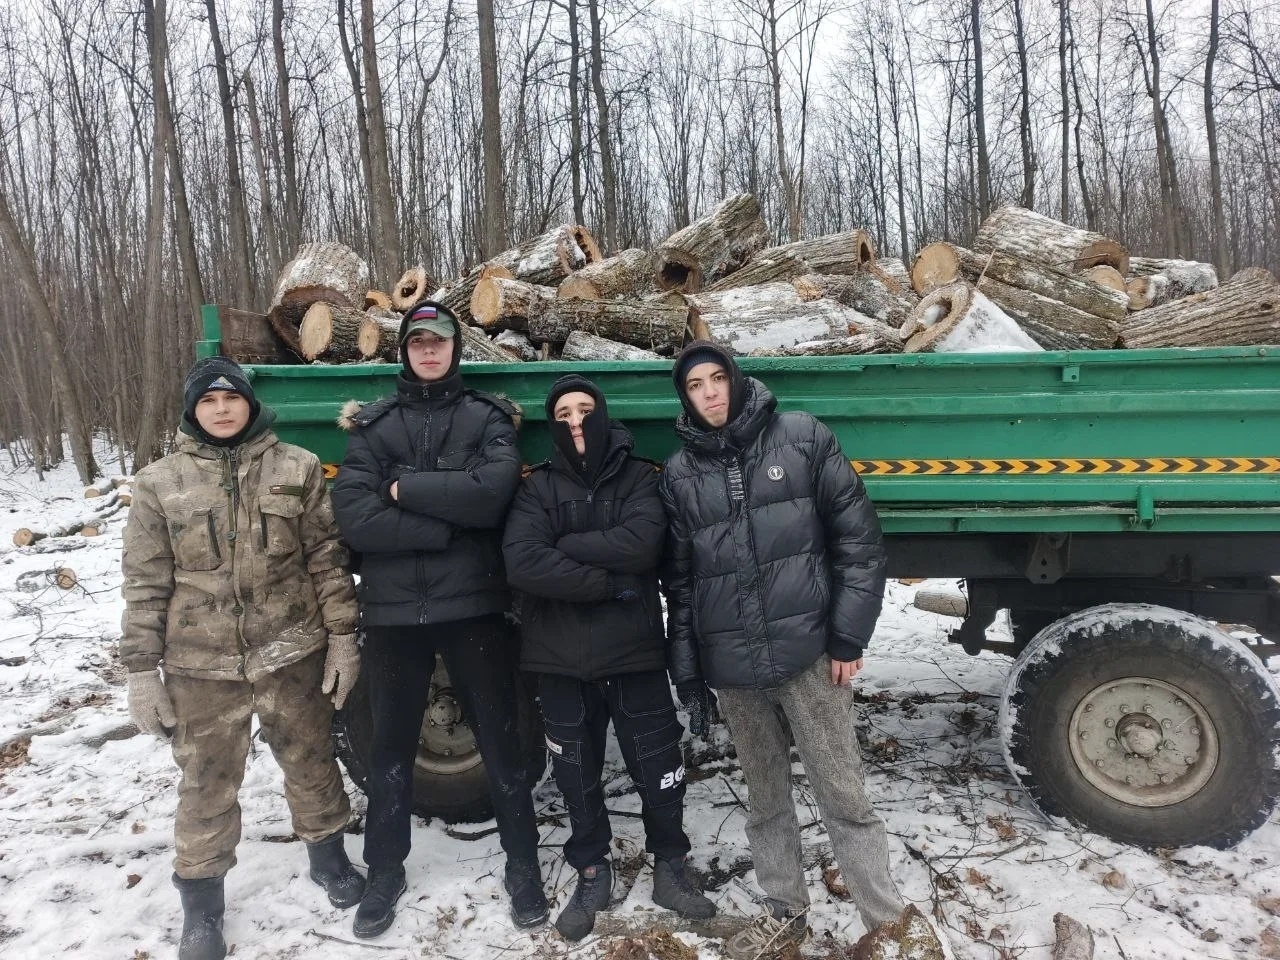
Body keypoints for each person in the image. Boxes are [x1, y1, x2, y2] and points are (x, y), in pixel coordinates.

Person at [658, 341, 925, 959]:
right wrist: (691, 672)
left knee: (844, 795)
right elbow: (682, 585)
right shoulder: (679, 474)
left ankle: (887, 925)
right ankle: (786, 913)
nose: (709, 393)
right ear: (686, 398)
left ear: (735, 378)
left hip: (809, 656)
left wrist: (847, 635)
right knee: (765, 801)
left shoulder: (801, 437)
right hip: (734, 667)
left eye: (716, 378)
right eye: (695, 386)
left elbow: (859, 544)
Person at [121, 357, 365, 960]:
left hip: (292, 649)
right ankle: (201, 903)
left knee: (311, 759)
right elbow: (144, 582)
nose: (222, 409)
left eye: (231, 398)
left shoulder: (298, 467)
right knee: (206, 781)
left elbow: (326, 559)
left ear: (249, 405)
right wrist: (140, 669)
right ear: (193, 411)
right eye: (208, 401)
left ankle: (329, 858)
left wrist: (341, 635)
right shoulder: (158, 483)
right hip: (200, 664)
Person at [331, 300, 546, 939]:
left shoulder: (486, 417)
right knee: (390, 750)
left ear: (456, 347)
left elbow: (493, 496)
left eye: (440, 340)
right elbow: (355, 518)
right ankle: (384, 873)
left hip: (474, 606)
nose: (429, 349)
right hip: (393, 614)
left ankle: (524, 865)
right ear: (404, 349)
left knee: (502, 743)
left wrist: (404, 491)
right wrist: (447, 526)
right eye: (418, 340)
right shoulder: (373, 427)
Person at [502, 375, 716, 941]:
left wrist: (563, 547)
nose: (575, 421)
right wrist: (604, 583)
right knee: (575, 775)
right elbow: (523, 562)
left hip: (634, 652)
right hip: (558, 658)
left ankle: (671, 864)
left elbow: (642, 545)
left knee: (660, 766)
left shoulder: (642, 478)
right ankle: (592, 869)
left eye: (584, 409)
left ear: (602, 415)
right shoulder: (536, 487)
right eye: (563, 413)